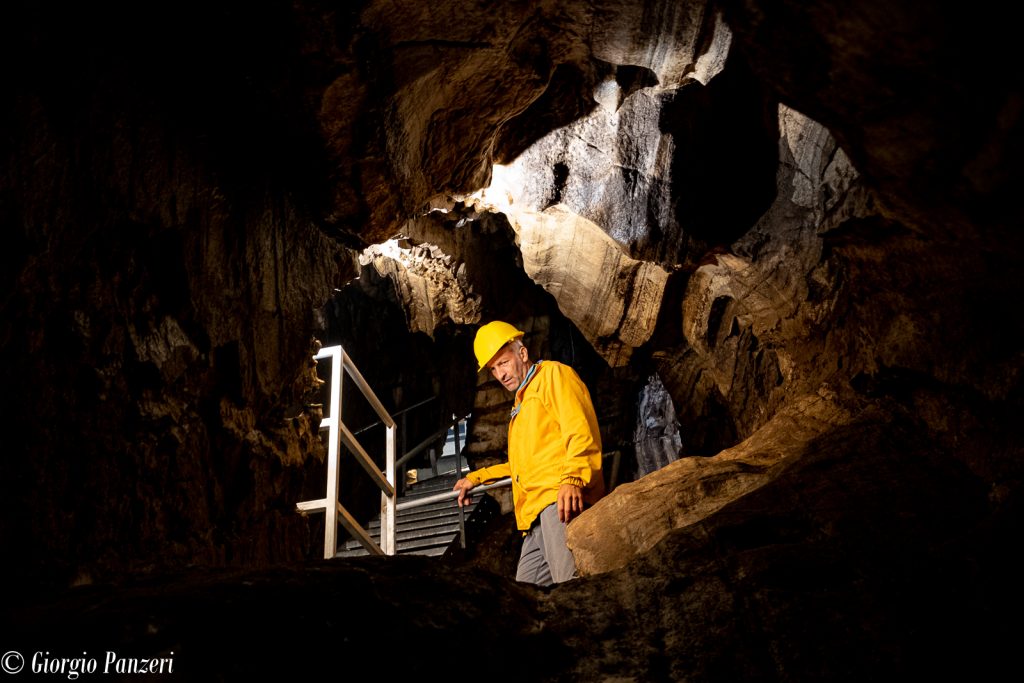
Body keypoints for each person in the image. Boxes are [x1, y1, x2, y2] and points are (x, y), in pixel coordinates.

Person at [453, 320, 605, 586]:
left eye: (503, 363)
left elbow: (580, 430)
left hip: (558, 503)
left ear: (522, 353)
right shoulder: (521, 403)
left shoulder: (553, 376)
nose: (500, 374)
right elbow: (522, 465)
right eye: (493, 369)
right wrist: (477, 478)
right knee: (526, 600)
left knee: (570, 588)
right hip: (531, 518)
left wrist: (573, 479)